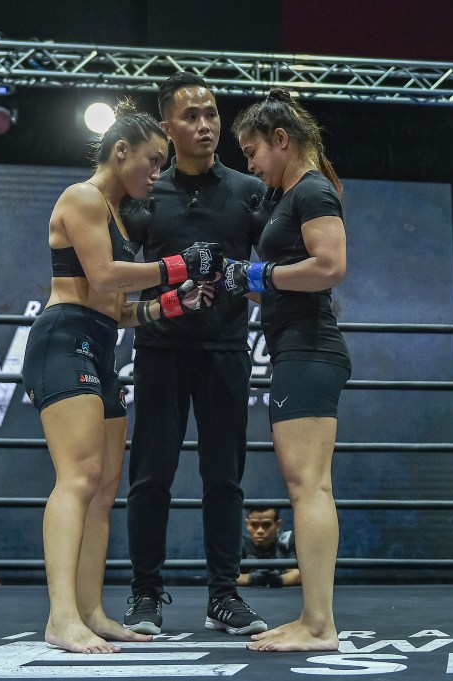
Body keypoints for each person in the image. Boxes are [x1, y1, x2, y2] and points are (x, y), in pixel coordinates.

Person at [20, 97, 223, 654]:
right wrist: (180, 265)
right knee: (79, 478)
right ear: (121, 150)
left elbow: (121, 309)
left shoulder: (111, 214)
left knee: (106, 487)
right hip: (64, 344)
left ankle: (90, 610)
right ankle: (61, 617)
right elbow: (107, 278)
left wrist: (175, 301)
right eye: (153, 162)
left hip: (99, 344)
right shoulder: (82, 197)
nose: (157, 175)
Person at [120, 71, 269, 639]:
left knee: (224, 478)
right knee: (151, 476)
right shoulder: (144, 194)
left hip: (227, 351)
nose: (205, 125)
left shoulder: (249, 190)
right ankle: (145, 593)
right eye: (191, 116)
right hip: (158, 349)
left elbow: (273, 272)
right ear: (167, 126)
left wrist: (245, 280)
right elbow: (111, 271)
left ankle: (225, 595)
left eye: (212, 114)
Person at [222, 88, 351, 652]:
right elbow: (285, 283)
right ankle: (313, 618)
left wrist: (256, 276)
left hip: (310, 350)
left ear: (281, 140)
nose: (249, 164)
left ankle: (318, 625)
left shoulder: (312, 190)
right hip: (297, 346)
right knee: (305, 485)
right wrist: (233, 283)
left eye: (252, 150)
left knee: (308, 486)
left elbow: (329, 267)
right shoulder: (292, 195)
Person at [237, 507, 301, 588]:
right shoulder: (240, 544)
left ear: (278, 525)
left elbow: (299, 574)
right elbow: (227, 575)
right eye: (254, 525)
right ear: (247, 524)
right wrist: (250, 578)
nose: (260, 531)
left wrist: (279, 580)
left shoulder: (287, 541)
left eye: (266, 525)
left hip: (283, 597)